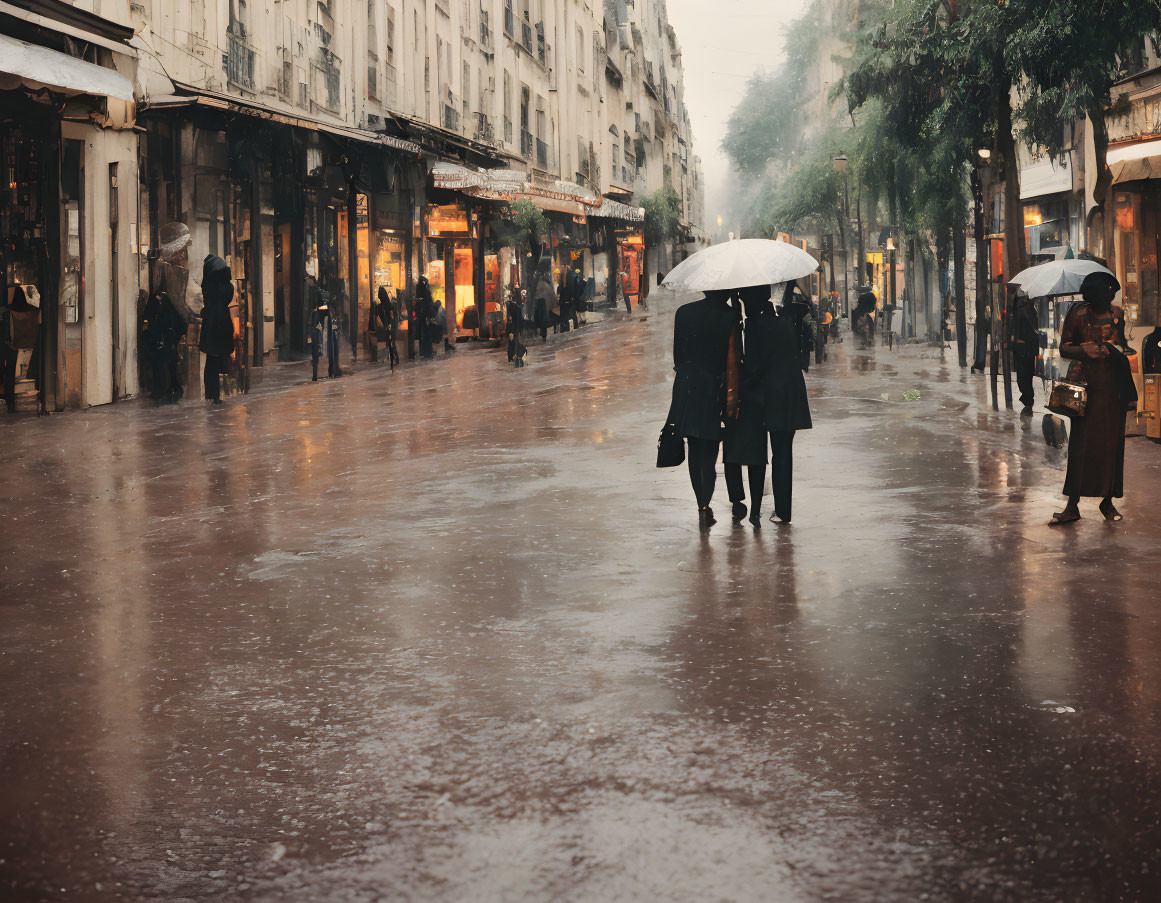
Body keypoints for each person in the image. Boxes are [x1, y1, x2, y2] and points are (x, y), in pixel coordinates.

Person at [1050, 272, 1135, 525]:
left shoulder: (1118, 314)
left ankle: (1107, 501)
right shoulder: (1077, 315)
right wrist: (1086, 350)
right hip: (1086, 390)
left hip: (1112, 391)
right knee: (1080, 447)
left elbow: (1122, 344)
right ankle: (1072, 504)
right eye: (1106, 293)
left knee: (1112, 447)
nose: (1109, 298)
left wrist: (1116, 350)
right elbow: (1064, 348)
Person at [728, 284, 813, 525]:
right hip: (791, 393)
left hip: (770, 397)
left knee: (765, 454)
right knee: (783, 453)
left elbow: (754, 369)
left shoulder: (757, 325)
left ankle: (765, 509)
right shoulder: (783, 318)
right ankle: (783, 510)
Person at [666, 289, 736, 529]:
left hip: (686, 383)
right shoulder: (729, 315)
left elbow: (678, 356)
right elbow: (733, 358)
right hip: (714, 385)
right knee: (710, 444)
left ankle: (702, 504)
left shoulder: (684, 312)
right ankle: (706, 500)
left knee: (695, 444)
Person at [142, 276, 187, 404]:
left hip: (163, 338)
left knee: (163, 365)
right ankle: (169, 390)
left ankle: (164, 391)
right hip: (166, 338)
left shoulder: (159, 301)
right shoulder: (170, 301)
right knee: (167, 365)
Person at [199, 255, 236, 405]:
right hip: (224, 322)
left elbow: (207, 301)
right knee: (222, 358)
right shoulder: (229, 286)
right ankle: (225, 392)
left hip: (212, 324)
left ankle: (212, 393)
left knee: (211, 360)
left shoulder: (209, 285)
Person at [1012, 293, 1039, 412]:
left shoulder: (1021, 310)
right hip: (1030, 346)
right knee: (1026, 373)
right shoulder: (1031, 309)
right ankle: (1028, 398)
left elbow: (1018, 328)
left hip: (1023, 346)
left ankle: (1028, 398)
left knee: (1023, 374)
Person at [376, 286, 399, 369]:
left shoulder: (386, 306)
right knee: (391, 343)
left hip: (389, 326)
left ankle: (393, 358)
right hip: (388, 326)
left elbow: (393, 317)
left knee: (391, 343)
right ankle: (393, 358)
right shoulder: (385, 306)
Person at [532, 263, 556, 342]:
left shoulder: (538, 285)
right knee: (545, 322)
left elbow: (536, 295)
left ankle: (540, 336)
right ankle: (544, 336)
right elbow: (552, 296)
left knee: (541, 322)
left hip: (541, 306)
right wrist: (553, 305)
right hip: (545, 306)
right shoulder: (546, 285)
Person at [506, 285, 527, 367]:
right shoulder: (517, 308)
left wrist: (510, 331)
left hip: (514, 329)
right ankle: (516, 357)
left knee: (513, 344)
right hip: (517, 329)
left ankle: (514, 358)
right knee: (516, 343)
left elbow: (511, 320)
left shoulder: (512, 307)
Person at [415, 276, 435, 358]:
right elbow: (428, 302)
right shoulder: (425, 290)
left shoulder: (419, 289)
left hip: (422, 315)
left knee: (423, 334)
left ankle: (424, 351)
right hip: (425, 315)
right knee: (426, 333)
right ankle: (427, 351)